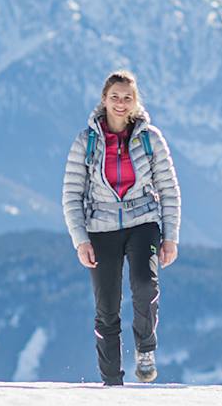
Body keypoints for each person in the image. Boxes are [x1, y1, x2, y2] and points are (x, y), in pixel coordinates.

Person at [61, 70, 182, 386]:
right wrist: (80, 240)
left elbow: (169, 188)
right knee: (107, 306)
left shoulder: (149, 138)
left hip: (143, 221)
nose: (120, 103)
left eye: (127, 97)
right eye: (115, 97)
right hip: (100, 227)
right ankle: (111, 381)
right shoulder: (85, 141)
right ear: (104, 99)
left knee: (144, 285)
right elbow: (71, 194)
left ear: (135, 101)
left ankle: (145, 348)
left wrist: (170, 237)